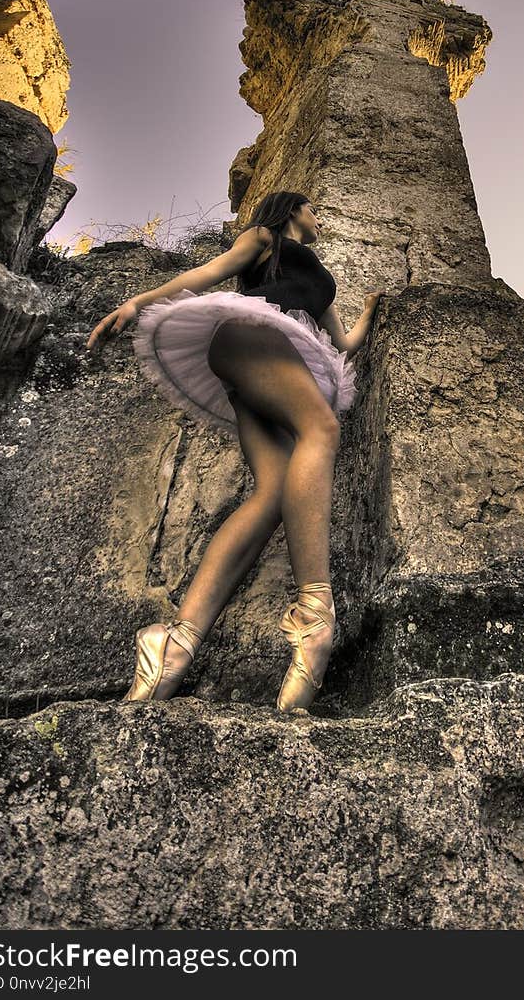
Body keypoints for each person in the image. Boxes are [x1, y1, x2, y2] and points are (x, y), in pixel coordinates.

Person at [86, 190, 384, 715]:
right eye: (312, 209)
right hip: (251, 336)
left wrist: (369, 311)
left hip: (275, 360)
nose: (318, 218)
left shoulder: (321, 280)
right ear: (292, 210)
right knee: (321, 429)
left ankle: (176, 643)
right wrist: (139, 302)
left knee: (272, 494)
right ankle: (316, 615)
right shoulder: (265, 238)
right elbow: (209, 272)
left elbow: (342, 343)